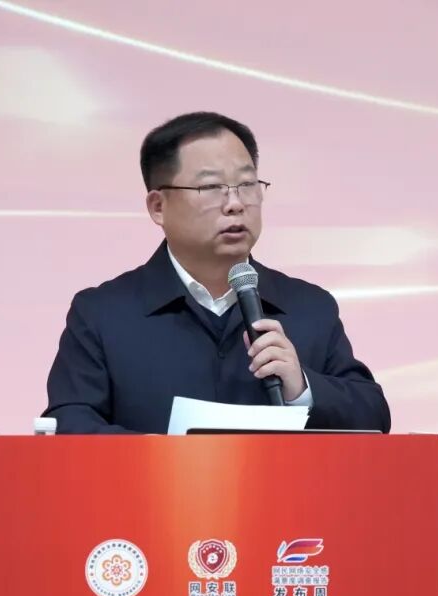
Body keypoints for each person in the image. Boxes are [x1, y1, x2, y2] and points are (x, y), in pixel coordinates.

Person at [43, 111, 390, 434]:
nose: (235, 203)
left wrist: (302, 388)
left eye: (247, 184)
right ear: (158, 207)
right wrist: (175, 460)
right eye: (210, 188)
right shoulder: (102, 314)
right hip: (152, 484)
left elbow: (374, 416)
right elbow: (70, 426)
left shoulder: (309, 307)